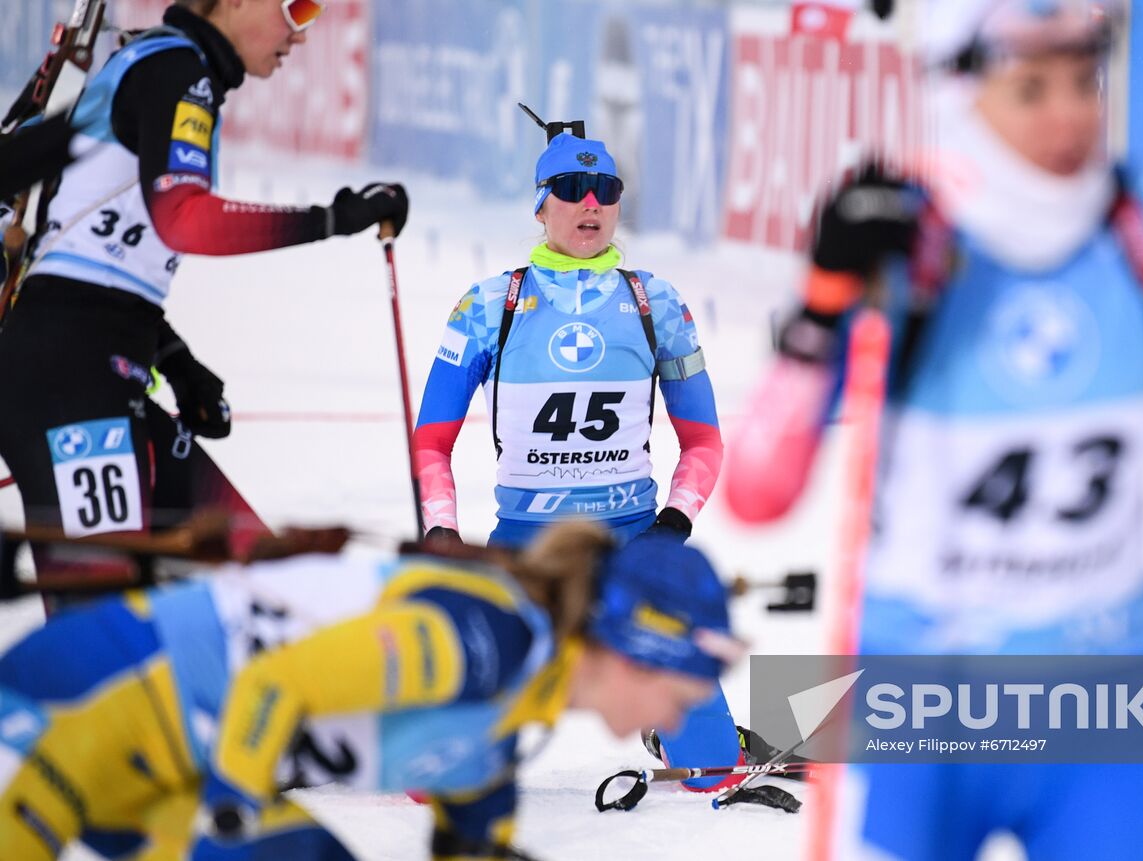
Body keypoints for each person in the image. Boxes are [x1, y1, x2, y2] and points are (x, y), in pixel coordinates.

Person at [725, 1, 1143, 859]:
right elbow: (756, 489)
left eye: (1085, 79)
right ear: (961, 89)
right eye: (1031, 87)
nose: (1069, 114)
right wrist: (824, 300)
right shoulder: (908, 240)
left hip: (1096, 702)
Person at [0, 524, 740, 860]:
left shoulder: (509, 719)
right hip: (82, 698)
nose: (678, 717)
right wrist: (229, 810)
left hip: (160, 764)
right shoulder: (479, 643)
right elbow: (273, 683)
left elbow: (478, 832)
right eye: (680, 694)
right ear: (629, 654)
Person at [0, 1, 410, 563]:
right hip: (69, 378)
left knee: (250, 568)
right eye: (295, 9)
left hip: (94, 358)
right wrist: (332, 220)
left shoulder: (157, 64)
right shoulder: (178, 72)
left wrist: (173, 358)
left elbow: (92, 249)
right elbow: (184, 219)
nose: (303, 33)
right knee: (109, 620)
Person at [411, 130, 739, 789]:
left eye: (606, 191)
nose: (589, 203)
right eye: (569, 189)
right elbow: (430, 444)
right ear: (540, 204)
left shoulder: (657, 303)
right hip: (530, 548)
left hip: (631, 542)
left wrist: (671, 526)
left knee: (713, 770)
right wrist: (442, 529)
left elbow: (703, 442)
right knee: (434, 776)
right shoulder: (487, 306)